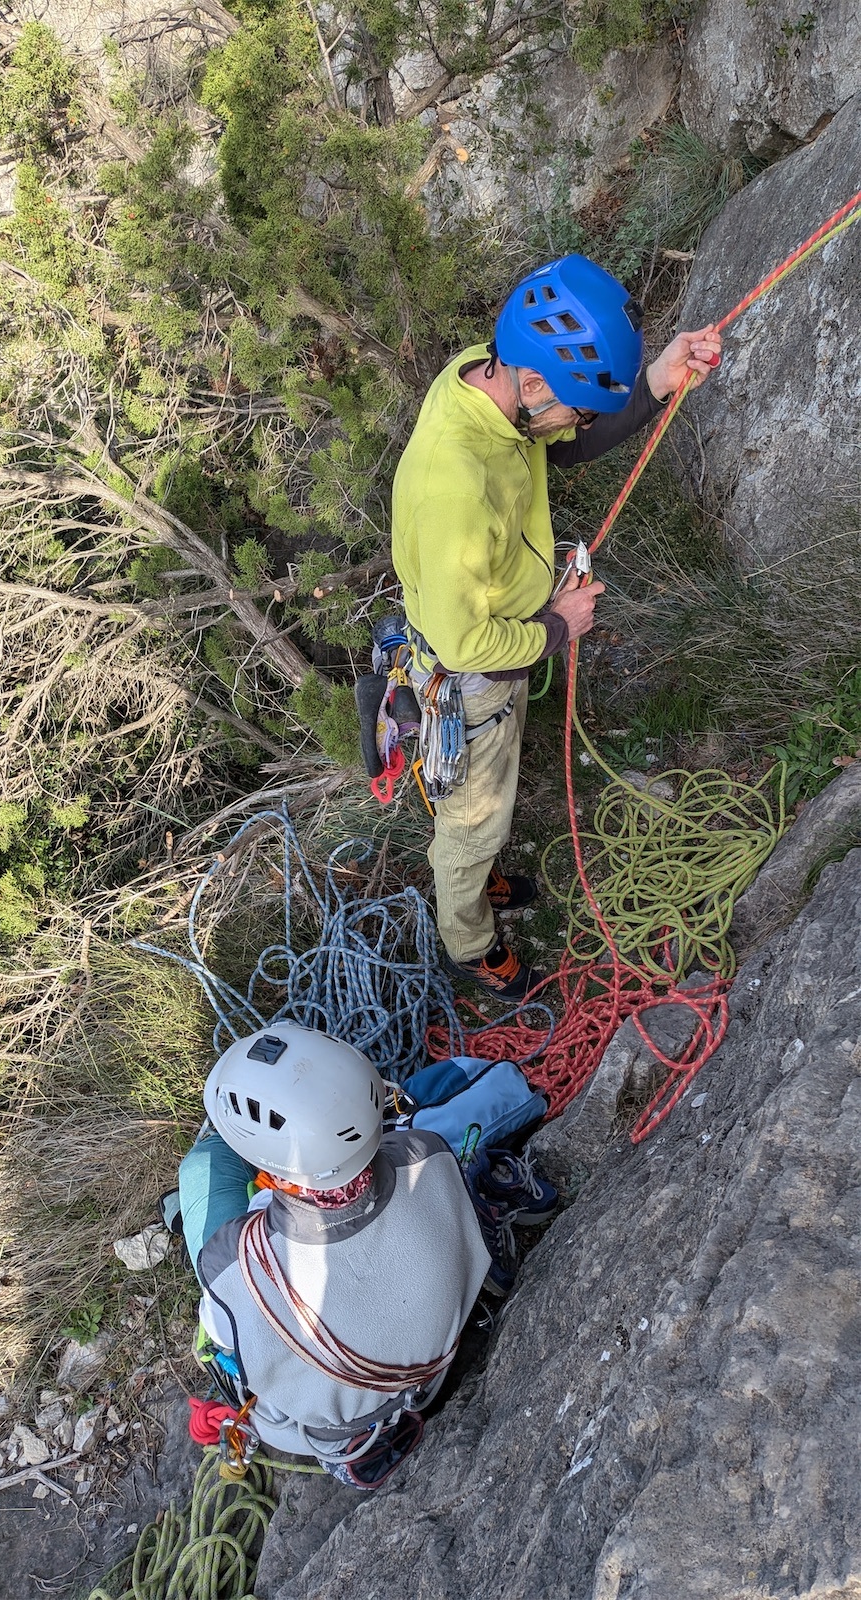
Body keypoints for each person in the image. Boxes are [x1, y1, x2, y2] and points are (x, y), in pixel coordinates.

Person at [392, 253, 721, 999]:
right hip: (472, 674)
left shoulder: (489, 375)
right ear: (537, 383)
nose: (578, 424)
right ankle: (469, 943)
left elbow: (558, 442)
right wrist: (559, 624)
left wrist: (656, 382)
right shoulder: (453, 485)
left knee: (487, 803)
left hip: (499, 644)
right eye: (578, 406)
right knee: (471, 826)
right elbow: (465, 645)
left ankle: (481, 877)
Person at [177, 1023, 551, 1490]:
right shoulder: (426, 1155)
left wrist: (261, 1209)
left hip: (343, 1425)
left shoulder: (233, 1266)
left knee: (205, 1163)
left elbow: (226, 1337)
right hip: (435, 1361)